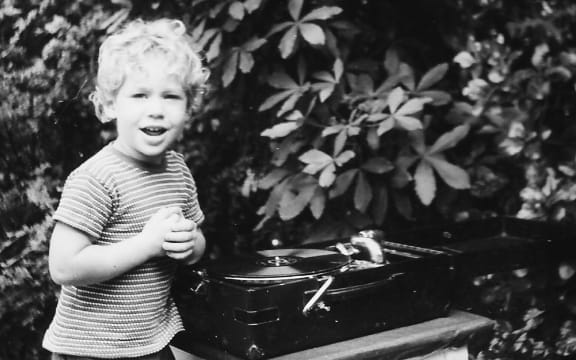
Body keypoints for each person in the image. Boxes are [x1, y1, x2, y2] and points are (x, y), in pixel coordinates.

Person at [43, 18, 209, 360]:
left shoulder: (177, 170)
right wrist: (146, 244)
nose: (156, 110)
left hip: (151, 343)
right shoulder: (97, 178)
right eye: (139, 95)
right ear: (108, 107)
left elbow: (196, 241)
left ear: (189, 108)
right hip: (90, 350)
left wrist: (191, 244)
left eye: (171, 96)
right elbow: (63, 266)